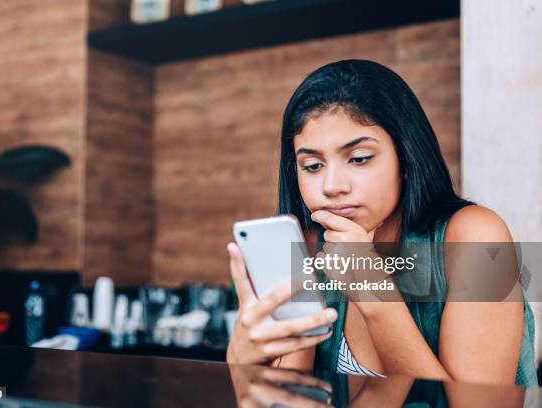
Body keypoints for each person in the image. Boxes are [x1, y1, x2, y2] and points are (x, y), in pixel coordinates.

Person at [225, 60, 537, 395]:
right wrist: (245, 362)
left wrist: (373, 292)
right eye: (312, 165)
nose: (332, 185)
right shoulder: (308, 249)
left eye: (359, 159)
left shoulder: (477, 237)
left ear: (406, 158)